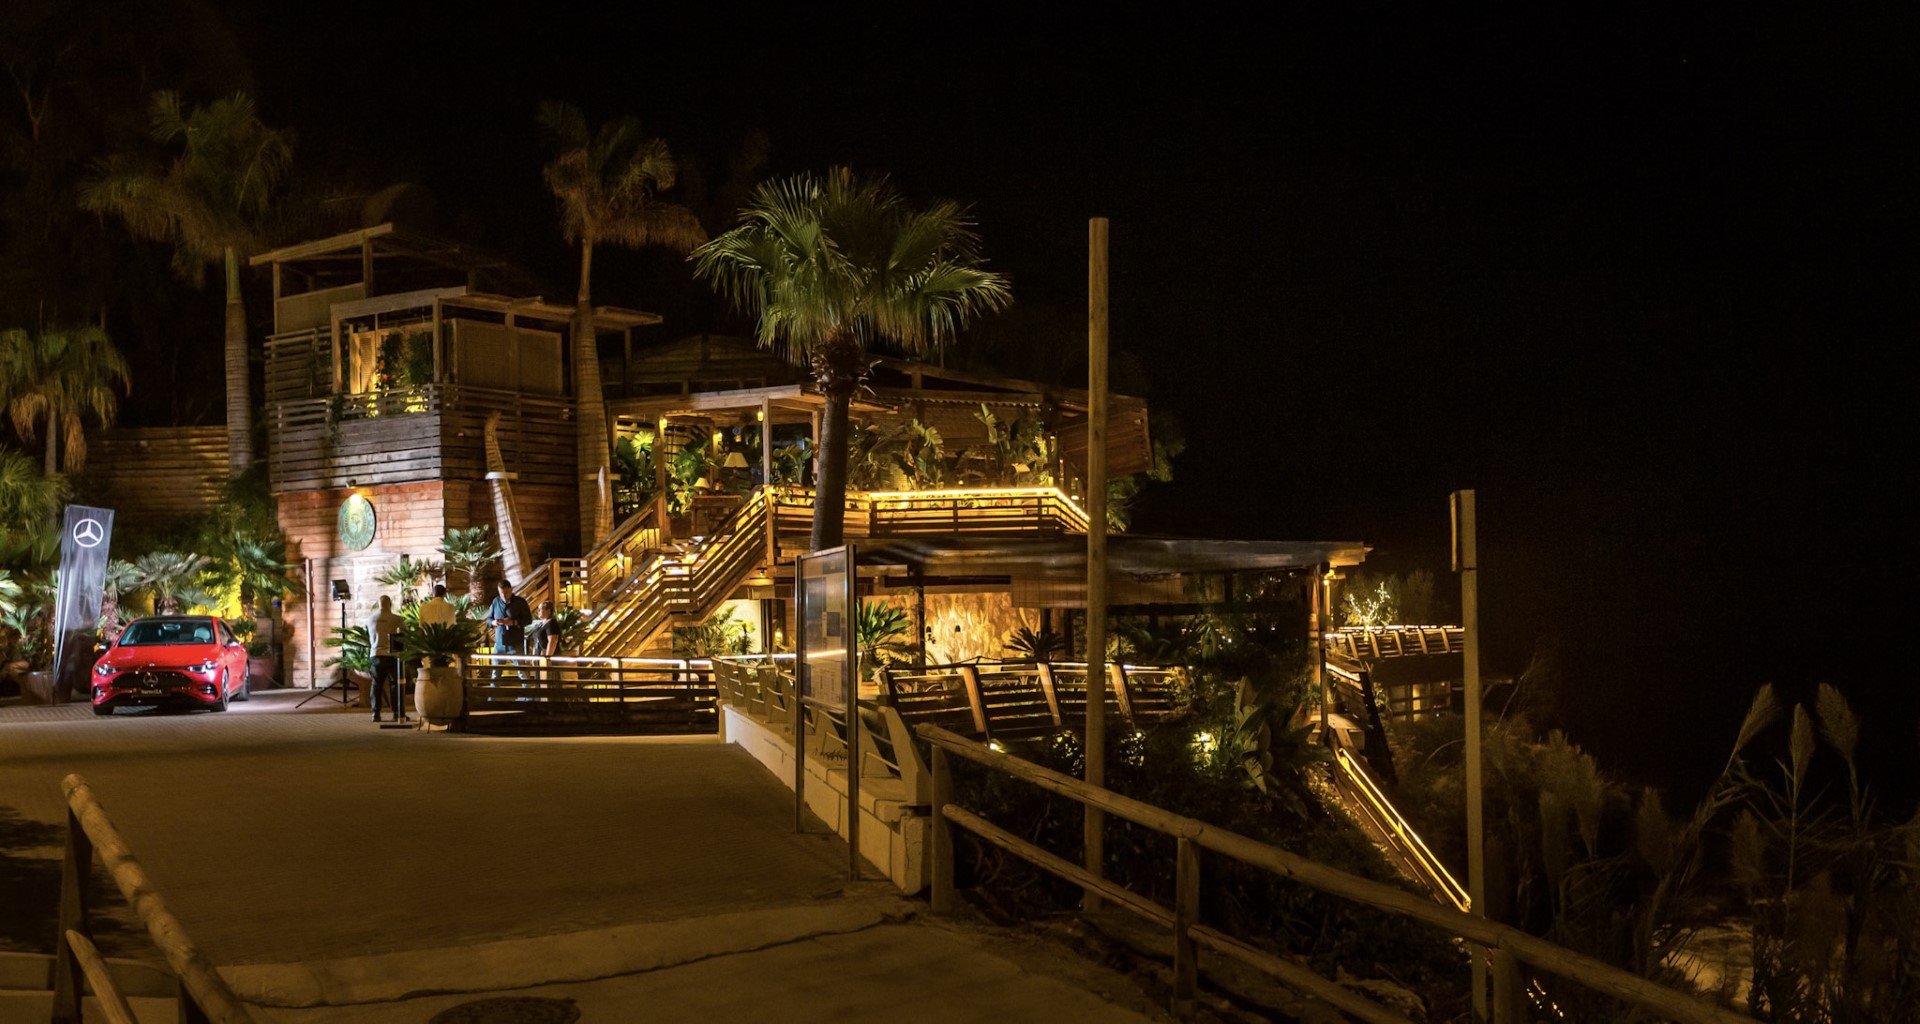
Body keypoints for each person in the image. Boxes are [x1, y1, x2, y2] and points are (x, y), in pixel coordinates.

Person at [365, 595, 405, 722]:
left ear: (379, 605)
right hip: (392, 656)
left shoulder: (370, 619)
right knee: (395, 685)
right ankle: (397, 712)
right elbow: (404, 635)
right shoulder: (397, 619)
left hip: (376, 654)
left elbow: (367, 636)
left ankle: (375, 713)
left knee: (376, 684)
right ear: (390, 605)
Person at [486, 580, 532, 673]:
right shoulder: (496, 601)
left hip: (515, 643)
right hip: (499, 643)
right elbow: (489, 619)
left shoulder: (520, 602)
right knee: (495, 673)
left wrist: (514, 622)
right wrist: (494, 622)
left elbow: (528, 619)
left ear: (511, 590)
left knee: (522, 672)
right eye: (501, 593)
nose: (504, 595)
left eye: (506, 592)